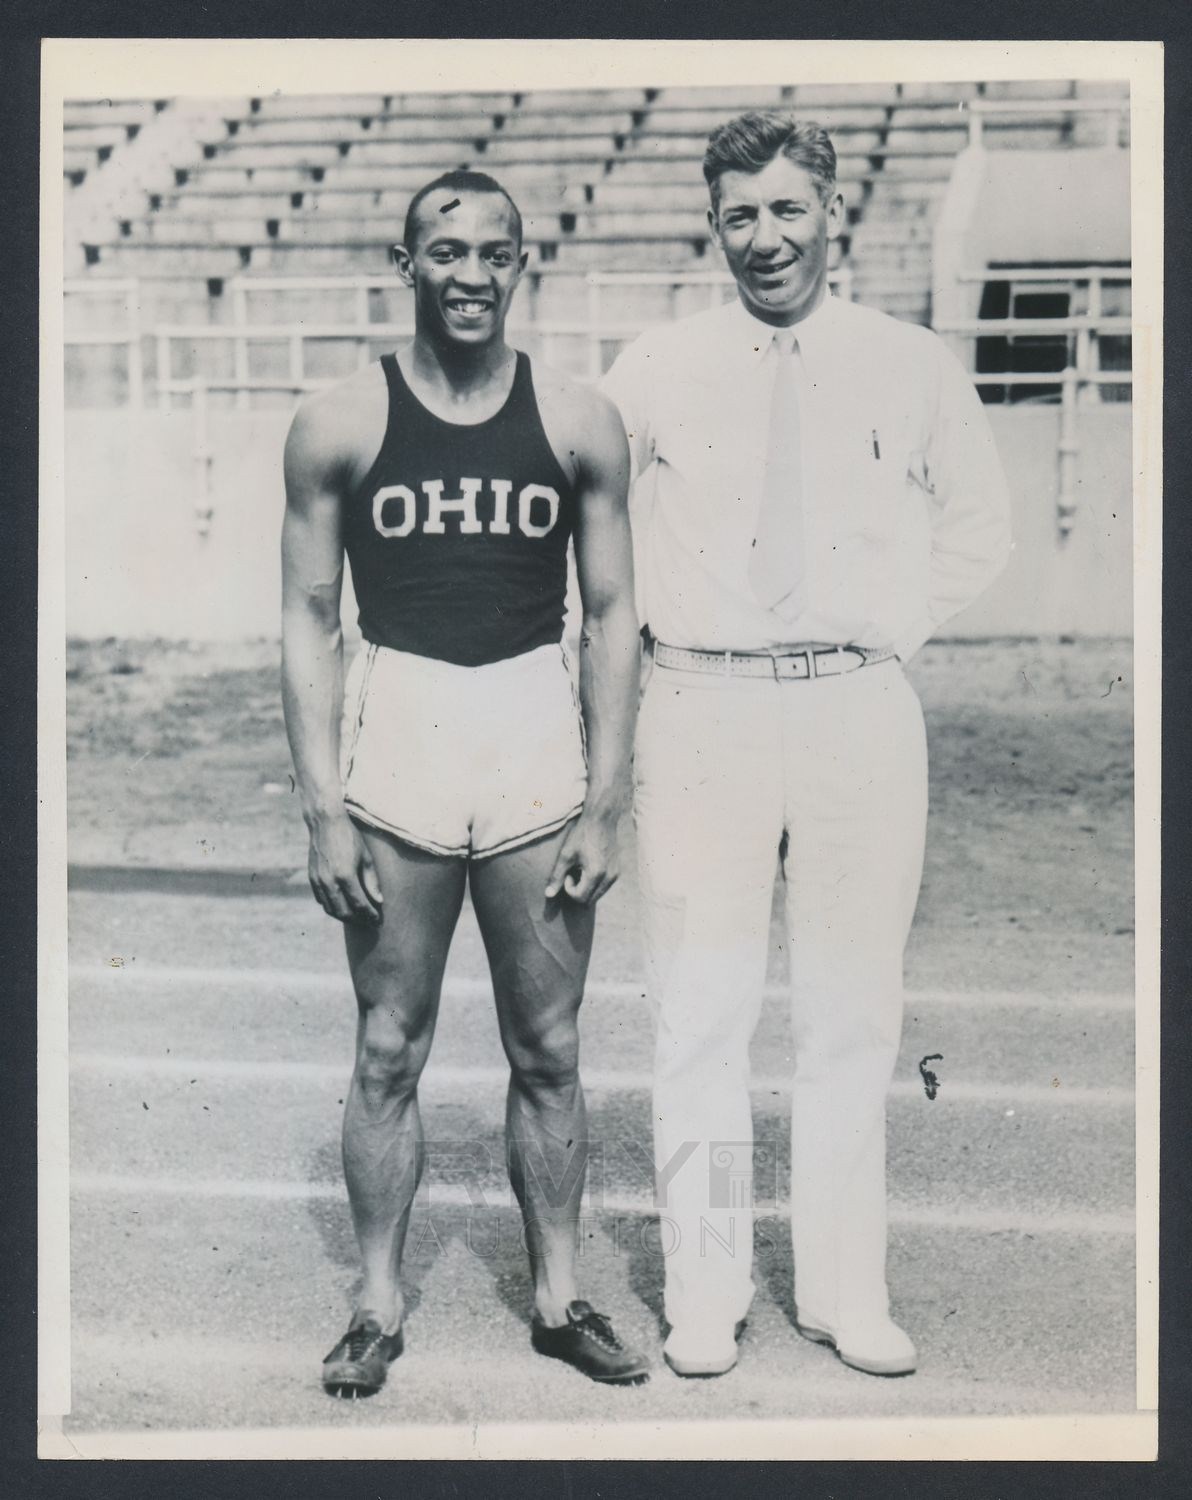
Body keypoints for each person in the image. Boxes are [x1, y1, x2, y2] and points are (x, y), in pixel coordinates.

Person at [600, 113, 1012, 1379]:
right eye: (740, 216)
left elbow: (979, 528)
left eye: (786, 210)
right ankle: (707, 1295)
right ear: (713, 225)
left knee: (850, 1014)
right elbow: (596, 535)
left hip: (854, 708)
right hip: (701, 706)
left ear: (834, 212)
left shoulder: (910, 362)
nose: (763, 238)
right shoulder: (655, 365)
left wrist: (880, 633)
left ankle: (846, 1292)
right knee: (701, 1016)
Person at [281, 169, 647, 1397]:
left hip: (531, 732)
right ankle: (377, 1302)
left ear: (521, 264)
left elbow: (608, 612)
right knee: (389, 1043)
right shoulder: (339, 423)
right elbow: (305, 615)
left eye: (496, 251)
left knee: (547, 1045)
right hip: (403, 734)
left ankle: (557, 1294)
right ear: (408, 265)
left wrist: (605, 796)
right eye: (448, 250)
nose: (473, 272)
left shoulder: (579, 421)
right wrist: (323, 804)